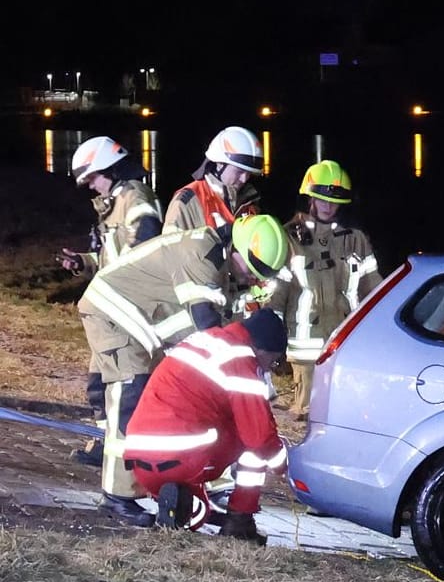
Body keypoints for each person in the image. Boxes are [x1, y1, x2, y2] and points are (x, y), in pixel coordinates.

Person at [77, 215, 290, 526]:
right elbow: (209, 328)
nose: (250, 279)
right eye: (250, 270)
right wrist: (244, 376)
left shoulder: (218, 259)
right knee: (129, 395)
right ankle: (116, 497)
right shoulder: (201, 256)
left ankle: (168, 491)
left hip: (141, 324)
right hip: (115, 316)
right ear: (237, 250)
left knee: (146, 397)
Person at [123, 309, 289, 545]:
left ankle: (180, 503)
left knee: (234, 427)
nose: (271, 368)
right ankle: (240, 520)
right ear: (262, 350)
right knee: (254, 442)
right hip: (183, 459)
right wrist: (282, 463)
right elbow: (260, 438)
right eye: (274, 360)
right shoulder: (241, 361)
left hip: (140, 458)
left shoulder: (206, 339)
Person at [57, 136, 164, 466]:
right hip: (110, 310)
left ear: (110, 169)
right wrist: (83, 262)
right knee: (98, 387)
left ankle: (123, 455)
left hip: (127, 313)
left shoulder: (136, 200)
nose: (91, 187)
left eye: (93, 178)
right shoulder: (114, 203)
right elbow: (112, 258)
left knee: (124, 388)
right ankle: (106, 445)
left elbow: (144, 253)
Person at [266, 160, 381, 420]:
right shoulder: (288, 238)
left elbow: (373, 289)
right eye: (322, 200)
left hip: (346, 344)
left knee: (347, 413)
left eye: (334, 201)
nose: (328, 207)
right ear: (309, 198)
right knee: (304, 417)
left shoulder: (356, 239)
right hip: (304, 351)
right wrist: (271, 343)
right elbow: (276, 297)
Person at [161, 126, 264, 233]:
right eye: (239, 171)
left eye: (249, 173)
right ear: (219, 164)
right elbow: (172, 248)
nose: (244, 179)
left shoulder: (249, 200)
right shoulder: (187, 202)